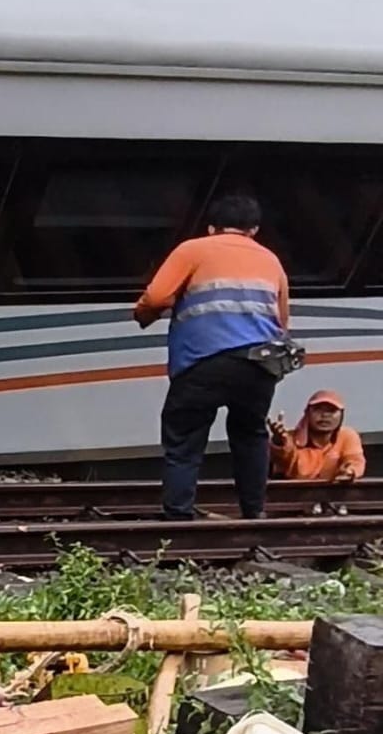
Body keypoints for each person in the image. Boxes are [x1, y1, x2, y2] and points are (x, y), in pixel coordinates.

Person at [134, 194, 290, 520]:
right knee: (250, 434)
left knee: (185, 438)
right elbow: (281, 321)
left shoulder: (193, 249)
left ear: (211, 227)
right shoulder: (271, 260)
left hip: (202, 362)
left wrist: (143, 316)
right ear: (254, 230)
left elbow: (157, 296)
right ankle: (254, 513)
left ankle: (178, 514)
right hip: (259, 363)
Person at [270, 390, 365, 482]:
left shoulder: (347, 436)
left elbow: (355, 460)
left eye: (331, 411)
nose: (324, 415)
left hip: (334, 494)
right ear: (307, 413)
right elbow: (284, 457)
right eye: (317, 410)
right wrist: (279, 441)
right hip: (293, 494)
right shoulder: (290, 438)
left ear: (341, 415)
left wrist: (350, 472)